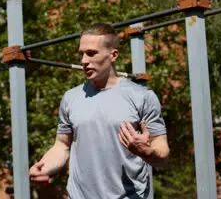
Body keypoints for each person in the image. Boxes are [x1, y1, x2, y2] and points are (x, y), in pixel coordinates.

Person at [29, 23, 170, 199]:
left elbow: (162, 156)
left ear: (113, 55)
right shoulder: (71, 98)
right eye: (81, 54)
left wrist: (146, 151)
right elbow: (62, 145)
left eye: (91, 53)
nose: (83, 61)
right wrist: (43, 167)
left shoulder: (142, 97)